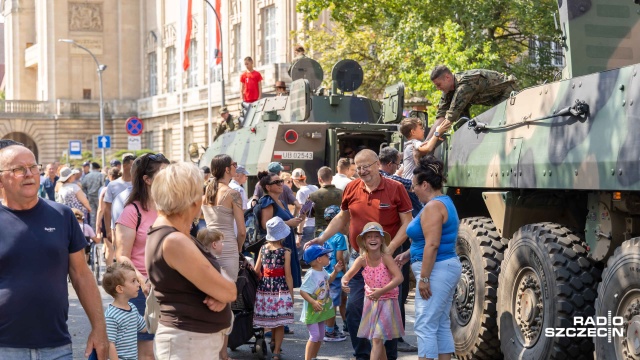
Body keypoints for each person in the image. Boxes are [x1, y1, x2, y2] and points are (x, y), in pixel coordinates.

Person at [0, 144, 108, 359]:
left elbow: (81, 275)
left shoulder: (62, 215)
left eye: (33, 167)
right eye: (19, 169)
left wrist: (99, 328)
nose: (30, 174)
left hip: (56, 347)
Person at [305, 149, 413, 360]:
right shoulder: (351, 187)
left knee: (388, 312)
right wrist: (322, 238)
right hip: (359, 257)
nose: (363, 171)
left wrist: (388, 251)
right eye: (359, 167)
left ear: (377, 165)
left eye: (366, 166)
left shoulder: (396, 188)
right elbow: (342, 218)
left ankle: (388, 357)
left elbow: (407, 222)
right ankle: (362, 356)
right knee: (354, 309)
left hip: (388, 259)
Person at [146, 162, 236, 359]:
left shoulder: (172, 234)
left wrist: (220, 292)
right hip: (188, 342)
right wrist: (222, 292)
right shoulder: (175, 240)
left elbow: (223, 288)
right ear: (192, 201)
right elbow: (230, 289)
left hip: (190, 340)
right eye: (200, 191)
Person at [396, 156, 462, 360]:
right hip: (444, 268)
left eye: (414, 185)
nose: (412, 189)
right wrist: (408, 254)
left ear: (425, 184)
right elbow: (428, 240)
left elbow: (433, 244)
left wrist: (423, 278)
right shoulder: (442, 202)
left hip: (437, 270)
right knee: (440, 323)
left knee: (424, 324)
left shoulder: (433, 207)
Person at [115, 153, 170, 360]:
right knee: (147, 353)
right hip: (142, 291)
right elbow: (122, 256)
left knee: (167, 349)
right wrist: (142, 279)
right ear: (147, 180)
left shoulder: (170, 209)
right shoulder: (132, 211)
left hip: (170, 288)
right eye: (163, 174)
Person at [201, 154, 246, 359]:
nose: (236, 168)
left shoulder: (205, 191)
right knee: (225, 302)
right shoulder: (233, 193)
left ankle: (209, 349)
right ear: (227, 169)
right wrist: (237, 249)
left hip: (207, 247)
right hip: (227, 248)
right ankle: (222, 354)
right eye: (234, 165)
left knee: (208, 298)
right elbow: (243, 231)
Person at [342, 222, 405, 360]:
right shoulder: (361, 260)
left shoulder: (386, 258)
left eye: (376, 236)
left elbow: (399, 278)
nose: (373, 239)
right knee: (377, 339)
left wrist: (382, 291)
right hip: (371, 302)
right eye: (369, 236)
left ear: (382, 240)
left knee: (377, 339)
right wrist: (343, 282)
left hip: (387, 302)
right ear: (364, 241)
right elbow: (347, 275)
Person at [428, 65, 517, 138]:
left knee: (498, 124)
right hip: (493, 99)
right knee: (462, 125)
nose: (438, 88)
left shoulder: (465, 83)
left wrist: (435, 136)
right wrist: (425, 142)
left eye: (438, 85)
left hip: (506, 91)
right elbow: (441, 117)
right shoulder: (447, 91)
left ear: (447, 77)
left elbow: (450, 118)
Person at [253, 217, 295, 360]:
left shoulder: (263, 248)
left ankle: (270, 341)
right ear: (283, 235)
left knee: (269, 319)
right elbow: (288, 275)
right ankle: (276, 352)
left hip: (265, 288)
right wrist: (291, 295)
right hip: (280, 289)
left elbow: (257, 269)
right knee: (280, 322)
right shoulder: (286, 252)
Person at [258, 172, 304, 289]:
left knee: (288, 280)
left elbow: (287, 221)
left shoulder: (282, 202)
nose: (281, 184)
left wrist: (297, 218)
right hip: (277, 247)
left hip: (286, 242)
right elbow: (265, 225)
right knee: (281, 281)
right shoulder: (267, 202)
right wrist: (289, 223)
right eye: (277, 182)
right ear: (268, 187)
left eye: (281, 181)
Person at [300, 245, 344, 360]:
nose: (328, 256)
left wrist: (335, 271)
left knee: (321, 336)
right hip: (313, 311)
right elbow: (302, 291)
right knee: (314, 336)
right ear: (319, 259)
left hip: (321, 309)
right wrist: (313, 302)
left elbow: (329, 280)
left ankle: (314, 357)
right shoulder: (311, 274)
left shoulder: (322, 270)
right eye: (326, 255)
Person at [102, 262, 147, 360]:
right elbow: (110, 344)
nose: (138, 284)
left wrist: (151, 305)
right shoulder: (111, 315)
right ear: (120, 289)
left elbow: (144, 327)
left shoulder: (132, 308)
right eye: (133, 281)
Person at [320, 205, 348, 342]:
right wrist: (345, 271)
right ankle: (329, 331)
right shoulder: (339, 237)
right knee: (333, 304)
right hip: (336, 275)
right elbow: (339, 258)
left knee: (331, 301)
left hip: (324, 274)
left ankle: (334, 326)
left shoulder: (322, 235)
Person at [97, 166, 122, 265]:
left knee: (109, 249)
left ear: (110, 176)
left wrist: (98, 225)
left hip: (108, 220)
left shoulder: (106, 189)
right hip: (122, 220)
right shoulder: (127, 187)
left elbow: (101, 209)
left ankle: (109, 272)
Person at [292, 168, 318, 260]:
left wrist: (299, 234)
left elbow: (302, 213)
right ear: (305, 178)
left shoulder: (301, 192)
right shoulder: (315, 188)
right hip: (316, 224)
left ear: (294, 180)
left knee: (297, 254)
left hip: (307, 226)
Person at [309, 166, 343, 236]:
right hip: (339, 229)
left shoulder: (312, 196)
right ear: (332, 178)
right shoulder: (343, 193)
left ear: (319, 179)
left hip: (320, 230)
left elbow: (309, 214)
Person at [82, 162, 104, 228]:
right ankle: (100, 230)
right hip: (98, 197)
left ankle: (93, 232)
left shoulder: (87, 176)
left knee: (92, 215)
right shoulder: (101, 175)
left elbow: (83, 186)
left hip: (90, 197)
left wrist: (86, 194)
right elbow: (103, 186)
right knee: (101, 213)